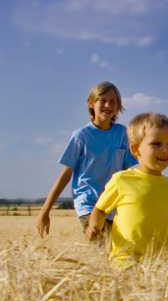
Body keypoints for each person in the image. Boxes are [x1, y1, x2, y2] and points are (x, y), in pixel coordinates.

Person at [86, 112, 168, 267]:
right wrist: (94, 227)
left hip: (159, 263)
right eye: (156, 144)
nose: (165, 150)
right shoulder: (122, 179)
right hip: (124, 260)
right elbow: (100, 209)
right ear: (136, 150)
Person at [37, 82, 137, 240]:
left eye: (113, 101)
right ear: (91, 103)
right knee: (98, 243)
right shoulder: (81, 136)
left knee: (113, 254)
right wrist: (45, 210)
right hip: (88, 203)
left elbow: (130, 174)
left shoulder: (123, 134)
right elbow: (65, 175)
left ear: (118, 106)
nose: (108, 105)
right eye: (102, 100)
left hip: (113, 204)